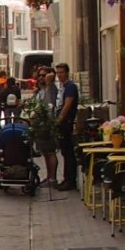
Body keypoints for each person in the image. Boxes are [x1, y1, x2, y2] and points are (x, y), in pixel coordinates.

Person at [54, 63, 79, 191]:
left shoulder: (70, 87)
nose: (59, 75)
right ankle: (67, 178)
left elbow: (67, 105)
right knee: (65, 152)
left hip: (66, 123)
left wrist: (59, 120)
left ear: (67, 73)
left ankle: (70, 180)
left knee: (68, 152)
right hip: (63, 123)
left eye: (61, 72)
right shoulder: (62, 87)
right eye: (57, 73)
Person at [36, 70, 59, 187]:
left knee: (50, 151)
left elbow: (51, 105)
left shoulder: (51, 88)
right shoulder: (41, 89)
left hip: (48, 124)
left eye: (43, 75)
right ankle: (49, 176)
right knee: (45, 152)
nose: (41, 77)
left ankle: (53, 178)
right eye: (39, 75)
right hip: (41, 124)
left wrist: (50, 81)